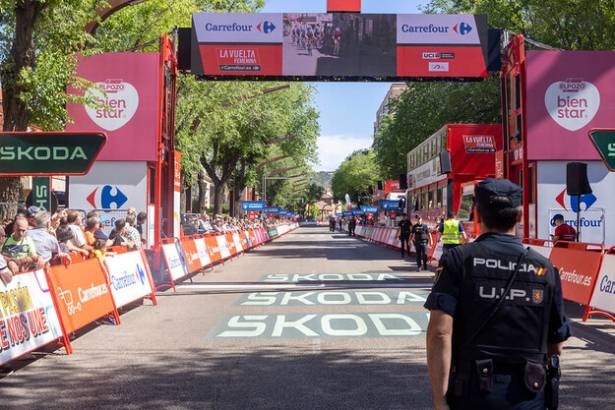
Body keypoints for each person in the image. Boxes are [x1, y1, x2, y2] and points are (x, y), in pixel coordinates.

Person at [425, 179, 571, 410]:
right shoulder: (545, 268)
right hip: (529, 394)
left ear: (478, 214)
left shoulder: (458, 260)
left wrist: (439, 399)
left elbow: (440, 333)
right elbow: (556, 345)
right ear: (519, 217)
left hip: (471, 392)